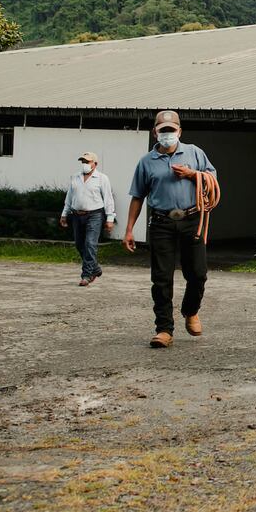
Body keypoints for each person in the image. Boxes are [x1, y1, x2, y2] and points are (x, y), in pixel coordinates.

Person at [123, 110, 218, 348]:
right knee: (161, 278)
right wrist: (129, 230)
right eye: (162, 131)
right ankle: (164, 329)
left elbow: (212, 179)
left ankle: (191, 310)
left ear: (179, 132)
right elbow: (137, 196)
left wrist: (192, 174)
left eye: (171, 130)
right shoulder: (146, 162)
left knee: (197, 273)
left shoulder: (195, 152)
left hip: (192, 219)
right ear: (155, 132)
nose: (167, 135)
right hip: (162, 222)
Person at [59, 151, 115, 286]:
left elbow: (108, 199)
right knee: (79, 244)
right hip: (76, 214)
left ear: (95, 164)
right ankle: (95, 268)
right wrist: (64, 214)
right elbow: (70, 197)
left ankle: (87, 275)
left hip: (94, 214)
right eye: (83, 162)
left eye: (87, 162)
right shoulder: (75, 177)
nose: (84, 164)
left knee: (90, 243)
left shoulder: (102, 178)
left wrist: (110, 218)